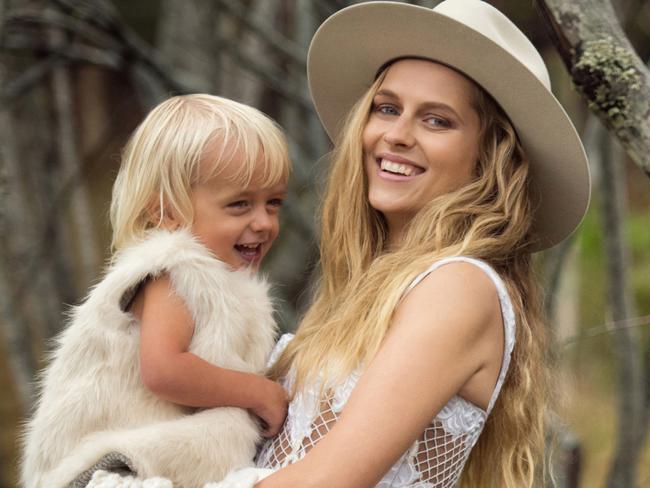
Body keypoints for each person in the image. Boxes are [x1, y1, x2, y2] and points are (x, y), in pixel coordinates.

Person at [213, 1, 591, 487]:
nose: (396, 135)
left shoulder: (459, 286)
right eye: (387, 108)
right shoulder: (368, 285)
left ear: (490, 156)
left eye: (436, 121)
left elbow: (329, 480)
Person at [21, 94, 291, 488]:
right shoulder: (174, 269)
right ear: (166, 211)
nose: (263, 222)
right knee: (233, 421)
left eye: (274, 204)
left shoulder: (222, 284)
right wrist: (259, 393)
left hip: (149, 452)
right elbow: (165, 371)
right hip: (100, 464)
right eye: (239, 205)